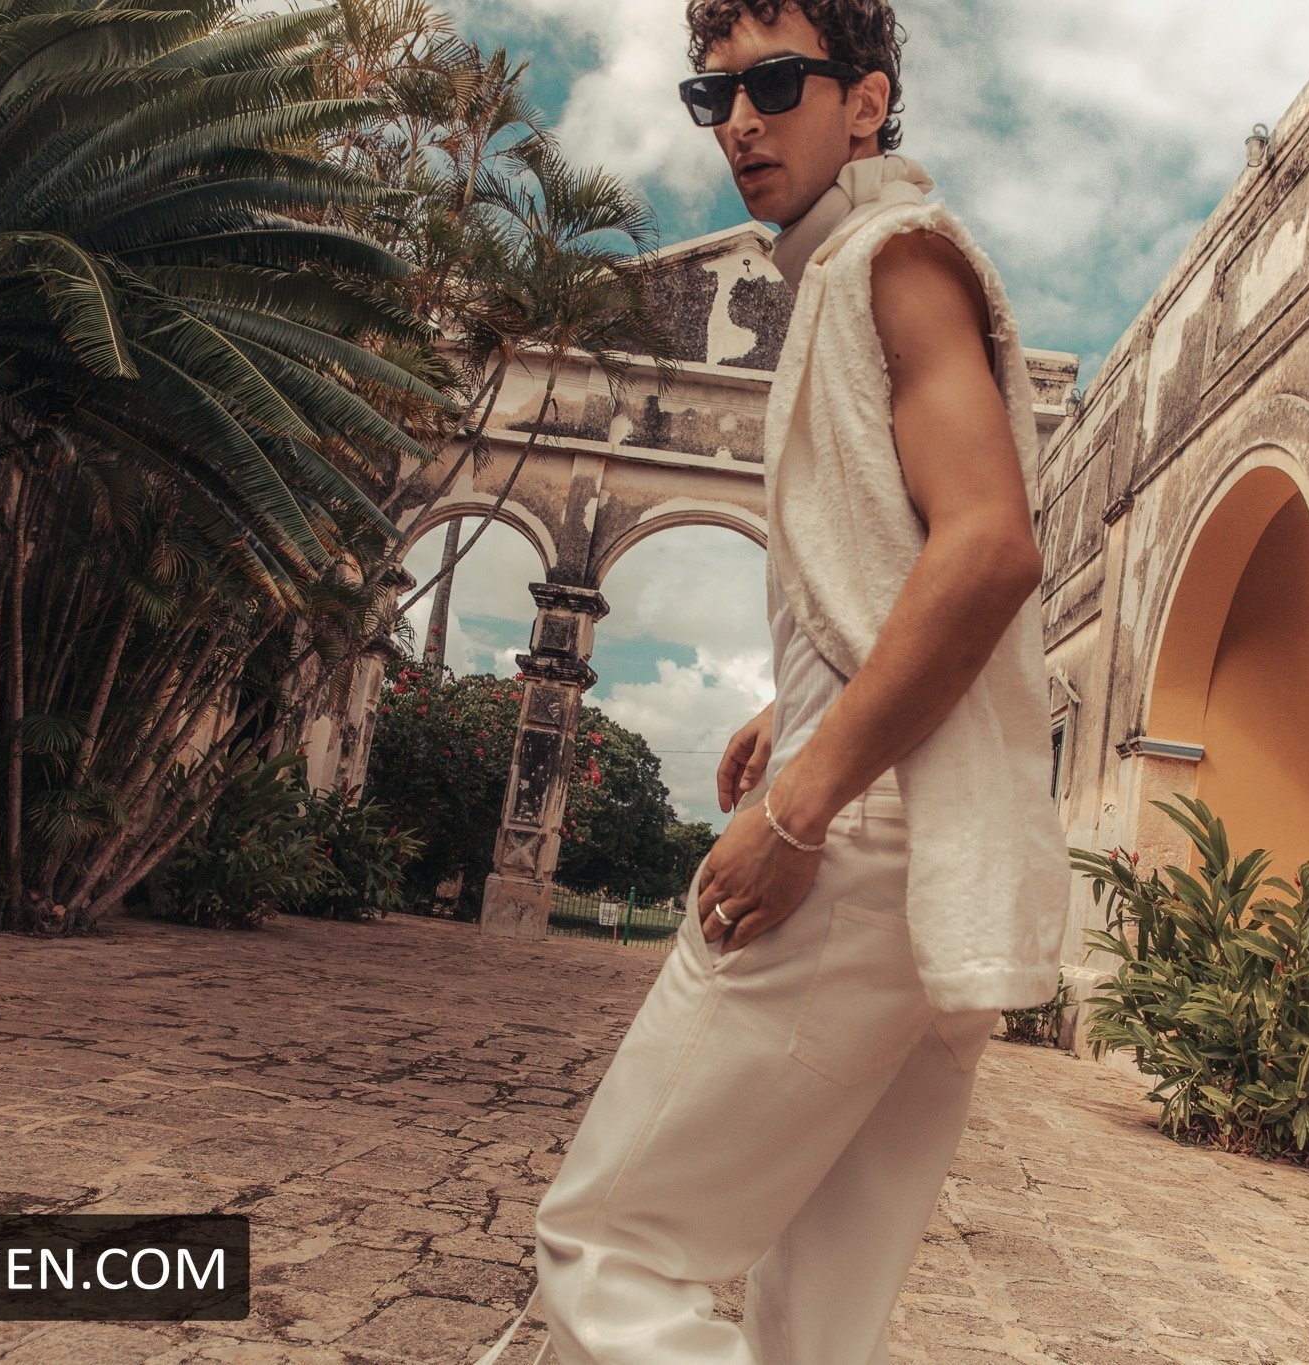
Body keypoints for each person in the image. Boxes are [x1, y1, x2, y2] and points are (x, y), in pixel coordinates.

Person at [475, 2, 1068, 1360]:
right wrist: (792, 701)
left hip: (855, 845)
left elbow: (988, 547)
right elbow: (903, 560)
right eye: (716, 95)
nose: (740, 120)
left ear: (865, 102)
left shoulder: (892, 259)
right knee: (818, 1325)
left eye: (777, 83)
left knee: (608, 1250)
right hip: (926, 847)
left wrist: (800, 805)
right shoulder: (862, 268)